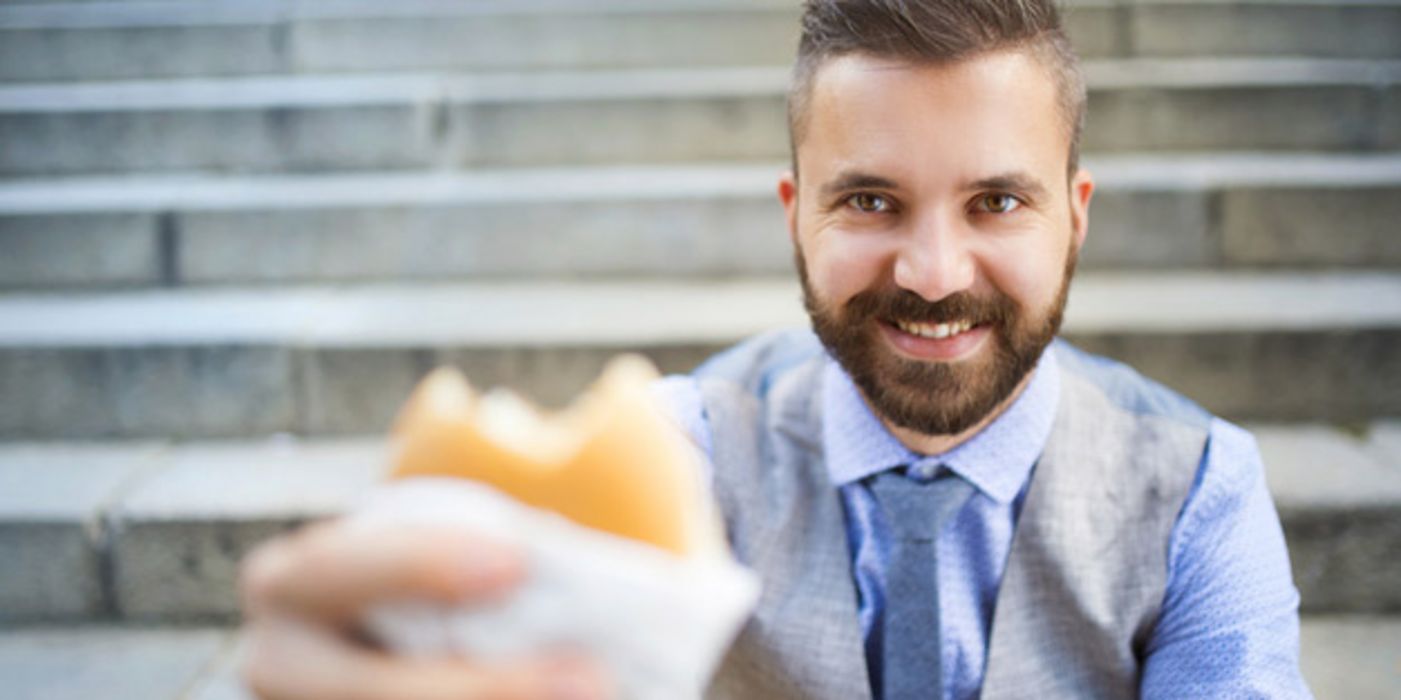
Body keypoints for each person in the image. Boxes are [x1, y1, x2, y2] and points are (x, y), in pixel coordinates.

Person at [239, 1, 1311, 698]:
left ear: (1075, 216)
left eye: (995, 201)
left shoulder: (1200, 490)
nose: (934, 271)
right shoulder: (679, 454)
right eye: (871, 201)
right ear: (795, 215)